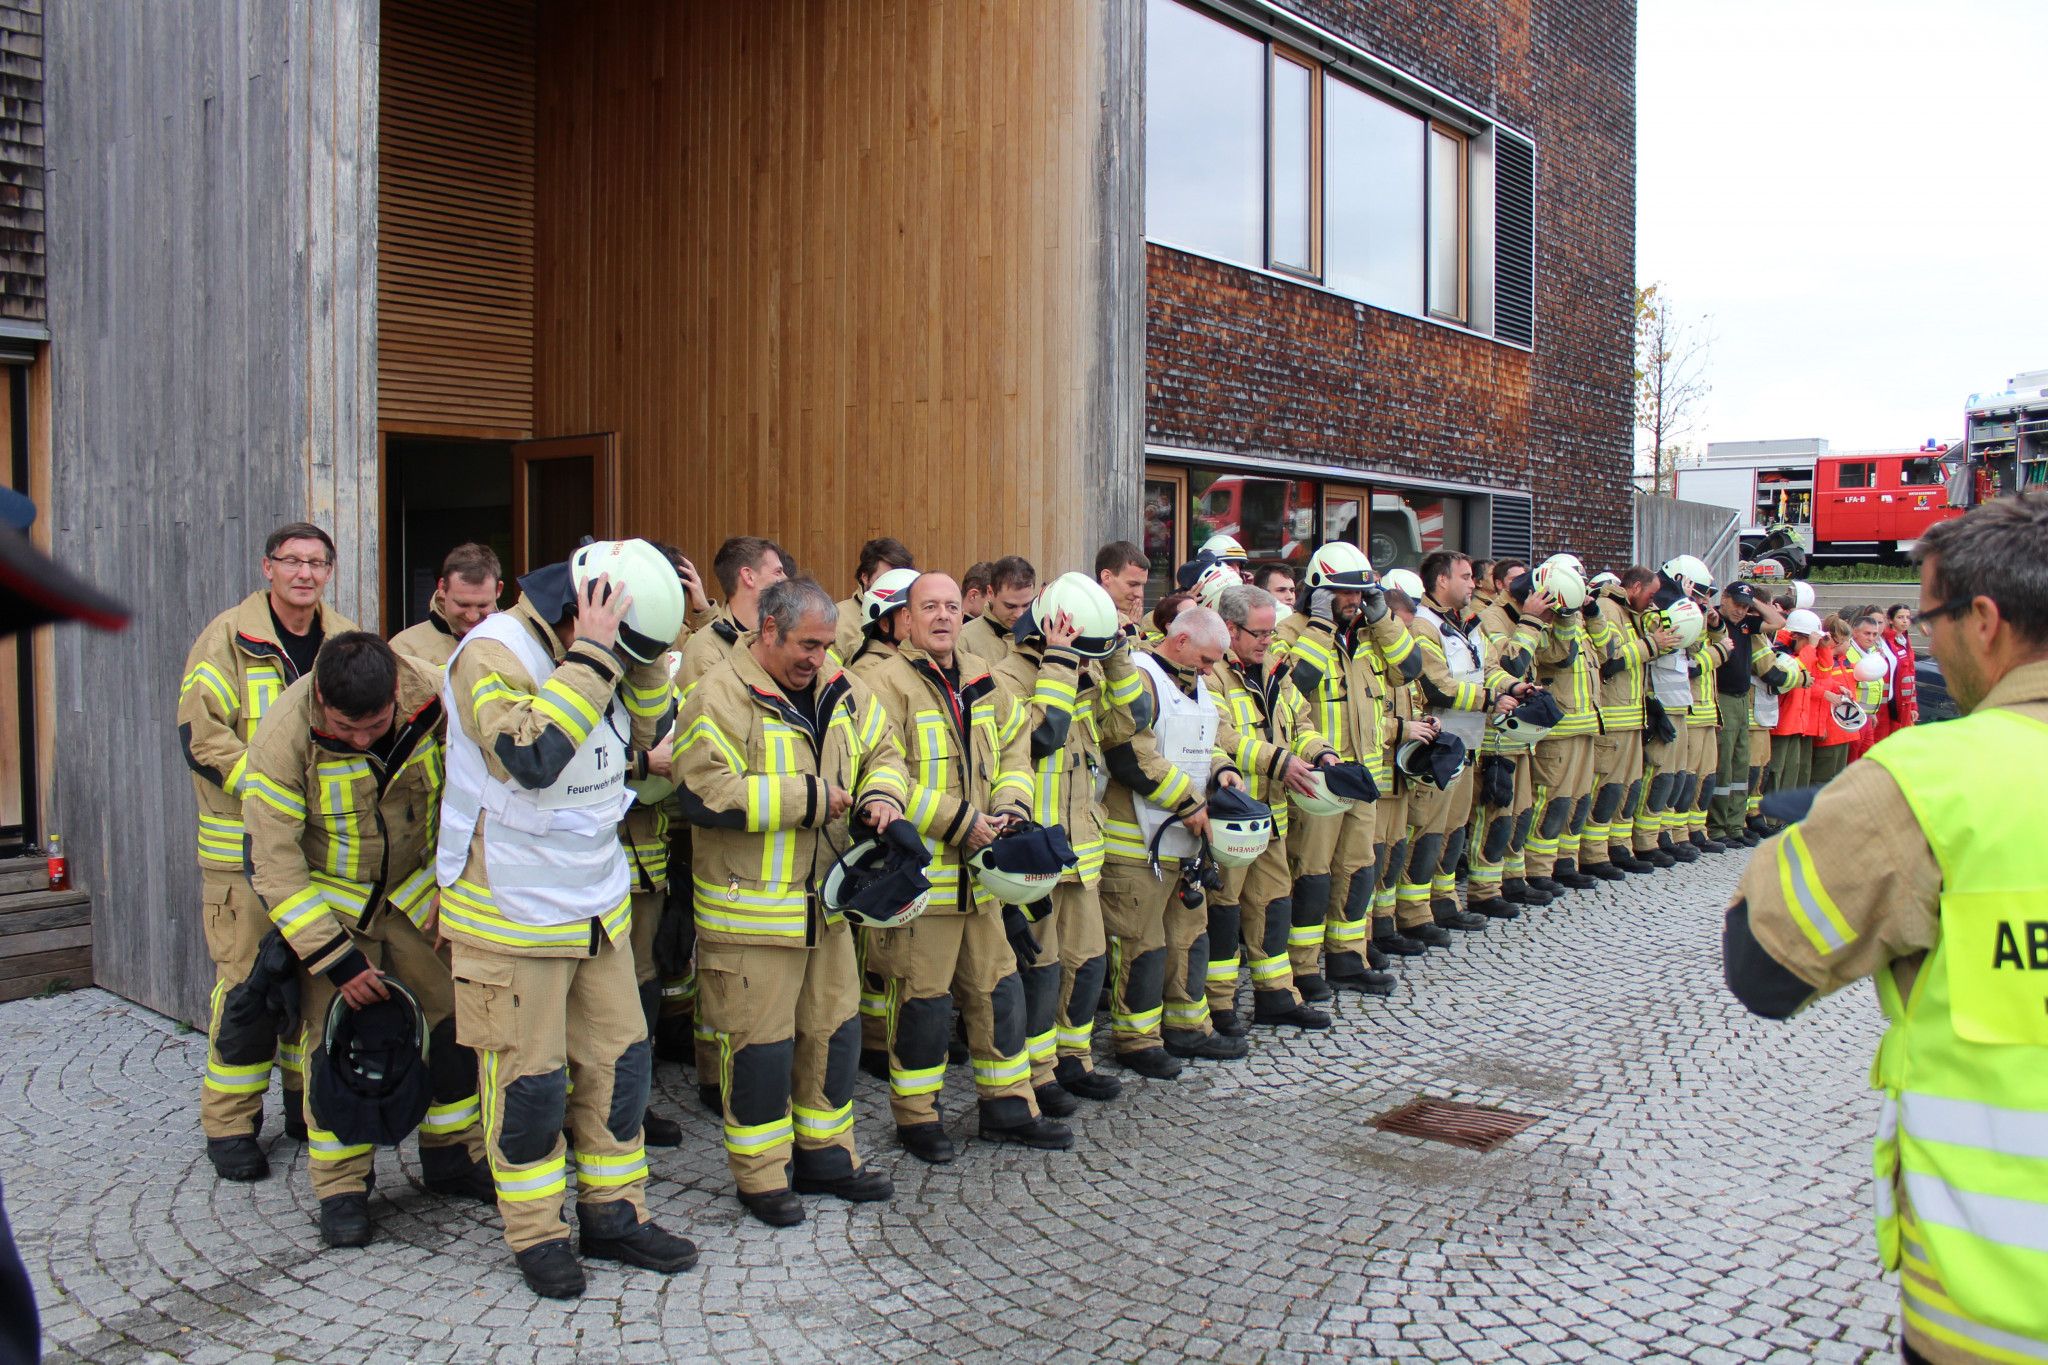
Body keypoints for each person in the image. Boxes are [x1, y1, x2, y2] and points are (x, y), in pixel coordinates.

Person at [1722, 491, 2048, 1365]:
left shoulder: (1940, 779)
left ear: (1985, 621)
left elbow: (1763, 963)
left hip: (2000, 1314)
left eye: (1931, 618)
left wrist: (1822, 830)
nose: (1926, 638)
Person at [441, 557, 698, 1298]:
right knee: (531, 1085)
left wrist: (641, 669)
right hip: (512, 910)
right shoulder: (492, 652)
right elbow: (531, 755)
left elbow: (647, 735)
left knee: (622, 1065)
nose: (626, 663)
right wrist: (592, 655)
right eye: (627, 648)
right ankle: (536, 1232)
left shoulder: (609, 652)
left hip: (594, 902)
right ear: (584, 609)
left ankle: (614, 1213)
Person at [241, 632, 494, 1246]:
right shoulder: (282, 738)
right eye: (345, 728)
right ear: (321, 700)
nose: (359, 740)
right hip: (335, 910)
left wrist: (457, 881)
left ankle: (452, 1155)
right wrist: (336, 961)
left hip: (417, 898)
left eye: (374, 727)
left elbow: (478, 794)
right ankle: (342, 1189)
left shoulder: (435, 697)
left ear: (395, 696)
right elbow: (273, 864)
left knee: (452, 1028)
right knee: (340, 1046)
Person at [675, 578, 909, 1228]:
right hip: (750, 919)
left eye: (827, 645)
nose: (819, 657)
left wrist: (882, 794)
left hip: (827, 910)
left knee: (833, 1037)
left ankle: (826, 1157)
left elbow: (885, 751)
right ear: (769, 630)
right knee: (761, 1053)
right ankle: (761, 1176)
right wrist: (807, 797)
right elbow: (703, 792)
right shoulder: (718, 693)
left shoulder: (840, 684)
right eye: (808, 644)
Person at [860, 573, 1071, 1159]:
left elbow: (1017, 750)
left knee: (999, 994)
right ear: (906, 619)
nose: (943, 617)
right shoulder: (880, 683)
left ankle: (1008, 1107)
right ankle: (917, 1118)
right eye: (929, 607)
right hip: (922, 884)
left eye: (952, 606)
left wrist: (1012, 807)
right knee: (923, 1006)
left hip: (983, 882)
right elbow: (879, 774)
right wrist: (959, 822)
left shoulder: (982, 675)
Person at [178, 522, 358, 1181]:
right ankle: (230, 1125)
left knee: (314, 987)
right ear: (268, 567)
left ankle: (306, 1106)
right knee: (247, 993)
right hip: (242, 858)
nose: (305, 573)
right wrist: (271, 791)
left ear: (329, 572)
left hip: (318, 857)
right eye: (293, 561)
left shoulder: (344, 640)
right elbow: (201, 738)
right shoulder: (226, 638)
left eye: (317, 562)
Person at [987, 572, 1144, 1105]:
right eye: (1079, 652)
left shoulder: (1086, 670)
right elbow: (1041, 736)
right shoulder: (1007, 677)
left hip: (1082, 849)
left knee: (1088, 961)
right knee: (1042, 969)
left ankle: (1073, 1059)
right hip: (1036, 852)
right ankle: (1039, 1073)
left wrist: (1116, 657)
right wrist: (1058, 663)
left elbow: (1132, 721)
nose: (1084, 664)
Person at [1098, 605, 1271, 1074]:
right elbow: (1130, 754)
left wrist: (1223, 770)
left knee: (1188, 938)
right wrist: (1190, 802)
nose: (1211, 670)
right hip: (1137, 844)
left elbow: (1204, 741)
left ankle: (1187, 1028)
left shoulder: (1193, 680)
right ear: (1180, 641)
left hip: (1182, 842)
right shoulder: (1141, 677)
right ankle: (1136, 1041)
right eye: (1207, 659)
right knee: (1142, 945)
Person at [1208, 583, 1343, 1028]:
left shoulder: (1273, 669)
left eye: (1271, 632)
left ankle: (1276, 996)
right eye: (1261, 633)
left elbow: (1300, 723)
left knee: (1273, 905)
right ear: (1230, 629)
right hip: (1231, 820)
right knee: (1223, 911)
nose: (1269, 641)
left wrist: (1322, 752)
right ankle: (1218, 1005)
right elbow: (1221, 737)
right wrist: (1278, 761)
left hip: (1271, 817)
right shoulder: (1210, 672)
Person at [1397, 553, 1523, 939]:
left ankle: (1443, 901)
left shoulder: (1468, 622)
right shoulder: (1424, 625)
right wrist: (1490, 699)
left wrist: (1513, 686)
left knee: (1453, 831)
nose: (1473, 583)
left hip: (1466, 745)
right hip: (1437, 748)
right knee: (1428, 832)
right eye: (1466, 577)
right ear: (1441, 581)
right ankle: (1413, 913)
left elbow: (1488, 669)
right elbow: (1438, 687)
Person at [1468, 563, 1547, 914]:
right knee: (1495, 817)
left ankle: (1512, 880)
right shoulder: (1491, 618)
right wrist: (1530, 621)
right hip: (1495, 736)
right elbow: (1510, 666)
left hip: (1522, 734)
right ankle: (1484, 891)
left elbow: (1558, 657)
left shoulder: (1529, 617)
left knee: (1520, 814)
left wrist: (1561, 620)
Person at [1586, 567, 1676, 876]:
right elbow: (1609, 660)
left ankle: (1619, 847)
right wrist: (1650, 644)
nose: (1653, 601)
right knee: (1606, 790)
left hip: (1631, 718)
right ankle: (1594, 854)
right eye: (1651, 594)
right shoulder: (1608, 609)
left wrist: (1657, 626)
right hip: (1613, 718)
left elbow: (1657, 645)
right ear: (1635, 587)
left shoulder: (1631, 613)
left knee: (1627, 789)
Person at [1706, 585, 1789, 846]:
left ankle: (1735, 825)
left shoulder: (1745, 624)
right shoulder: (1715, 621)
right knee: (1725, 764)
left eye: (1745, 607)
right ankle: (1717, 827)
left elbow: (1778, 621)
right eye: (1737, 604)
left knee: (1741, 763)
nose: (1741, 611)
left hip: (1742, 700)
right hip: (1723, 697)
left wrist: (1754, 601)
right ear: (1724, 599)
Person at [680, 536, 789, 697]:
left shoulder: (788, 636)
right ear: (748, 576)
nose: (786, 579)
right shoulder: (704, 650)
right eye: (778, 572)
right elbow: (702, 708)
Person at [390, 542, 504, 666]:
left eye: (482, 605)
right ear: (442, 588)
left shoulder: (514, 641)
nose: (472, 617)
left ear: (499, 589)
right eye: (463, 605)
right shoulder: (405, 650)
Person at [834, 537, 915, 662]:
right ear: (865, 577)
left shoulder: (917, 614)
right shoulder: (838, 618)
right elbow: (824, 669)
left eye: (900, 580)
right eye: (885, 579)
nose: (894, 587)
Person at [1808, 617, 1858, 785]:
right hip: (1829, 728)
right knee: (1822, 778)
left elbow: (1824, 682)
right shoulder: (1820, 656)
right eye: (1847, 640)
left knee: (1834, 778)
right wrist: (1828, 693)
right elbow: (1808, 684)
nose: (1850, 645)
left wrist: (1838, 687)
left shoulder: (1835, 658)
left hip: (1840, 726)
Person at [959, 555, 1035, 663]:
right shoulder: (963, 639)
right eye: (1010, 606)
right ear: (990, 592)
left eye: (1026, 605)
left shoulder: (1041, 637)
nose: (1019, 614)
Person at [1845, 610, 1890, 762]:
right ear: (1855, 632)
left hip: (1867, 717)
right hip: (1853, 717)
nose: (1871, 638)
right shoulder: (1848, 653)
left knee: (1866, 758)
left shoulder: (1872, 652)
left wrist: (1873, 713)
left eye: (1874, 634)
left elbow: (1874, 684)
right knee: (1852, 760)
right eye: (1867, 633)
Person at [1879, 602, 1918, 738]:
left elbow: (1911, 675)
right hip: (1891, 703)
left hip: (1905, 703)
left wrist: (1913, 706)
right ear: (1890, 620)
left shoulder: (1905, 640)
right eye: (1900, 617)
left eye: (1908, 617)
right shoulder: (1886, 640)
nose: (1905, 621)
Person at [1095, 540, 1151, 628]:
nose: (1139, 594)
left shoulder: (1120, 618)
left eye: (1142, 586)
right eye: (1132, 584)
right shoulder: (1083, 615)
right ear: (1107, 577)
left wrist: (1132, 627)